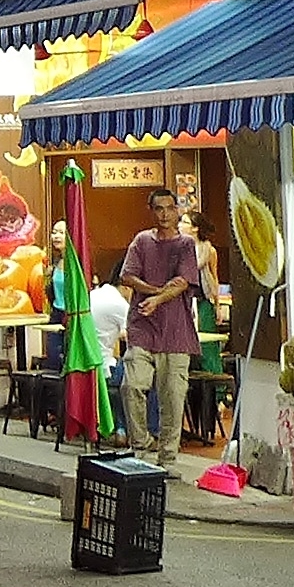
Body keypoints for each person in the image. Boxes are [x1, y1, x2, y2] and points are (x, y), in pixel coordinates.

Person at [115, 187, 202, 457]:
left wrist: (158, 299)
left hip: (176, 333)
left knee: (173, 398)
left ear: (177, 210)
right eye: (159, 209)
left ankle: (168, 457)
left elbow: (183, 282)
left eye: (169, 208)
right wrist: (152, 292)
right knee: (132, 386)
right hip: (142, 327)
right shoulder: (142, 241)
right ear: (152, 211)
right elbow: (127, 275)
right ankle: (139, 446)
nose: (164, 214)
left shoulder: (185, 244)